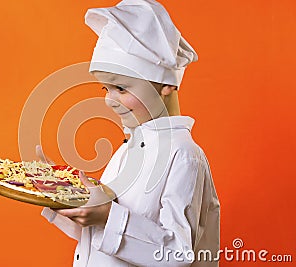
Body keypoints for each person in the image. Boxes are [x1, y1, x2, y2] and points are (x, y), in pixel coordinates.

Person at [39, 0, 220, 266]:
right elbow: (103, 242)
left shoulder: (183, 156)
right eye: (105, 89)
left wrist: (107, 216)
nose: (109, 101)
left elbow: (179, 255)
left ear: (166, 84)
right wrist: (62, 197)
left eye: (121, 89)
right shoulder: (126, 151)